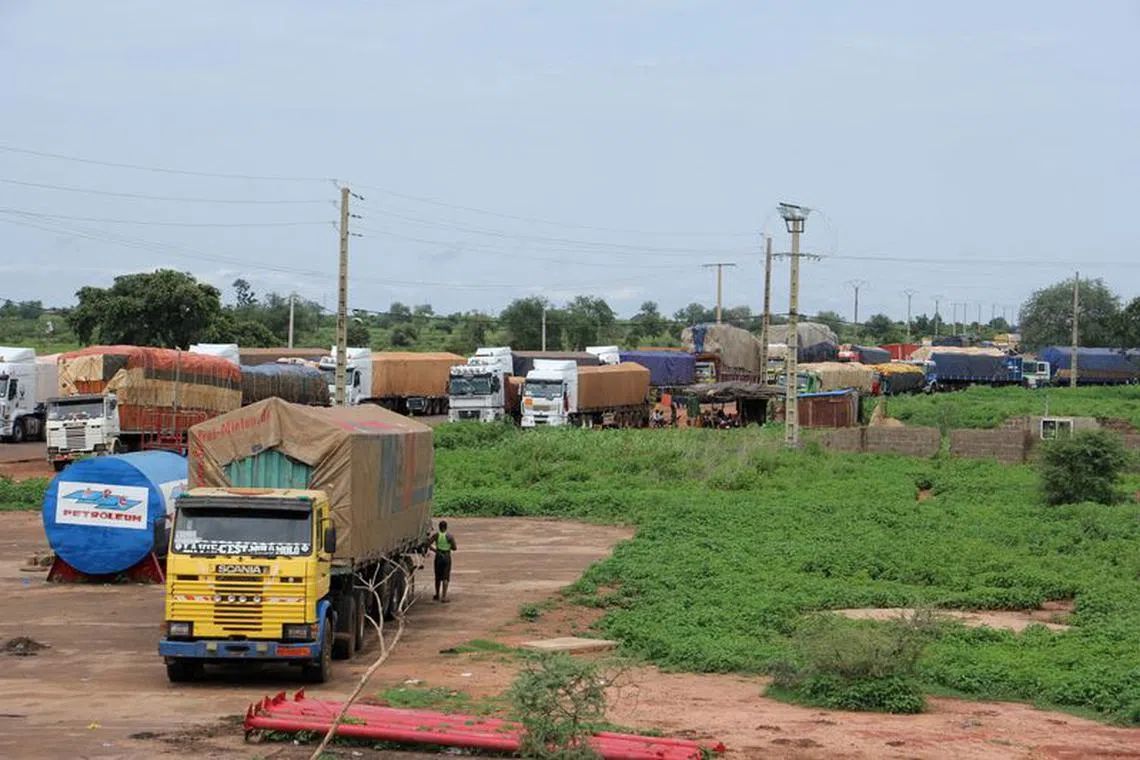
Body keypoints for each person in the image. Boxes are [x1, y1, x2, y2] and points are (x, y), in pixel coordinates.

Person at [428, 520, 457, 602]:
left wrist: (435, 551)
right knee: (446, 577)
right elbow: (454, 548)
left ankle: (437, 594)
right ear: (446, 527)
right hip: (446, 556)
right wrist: (448, 547)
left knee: (437, 576)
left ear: (439, 527)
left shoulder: (436, 535)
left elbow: (428, 544)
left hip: (438, 556)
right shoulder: (449, 536)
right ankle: (444, 597)